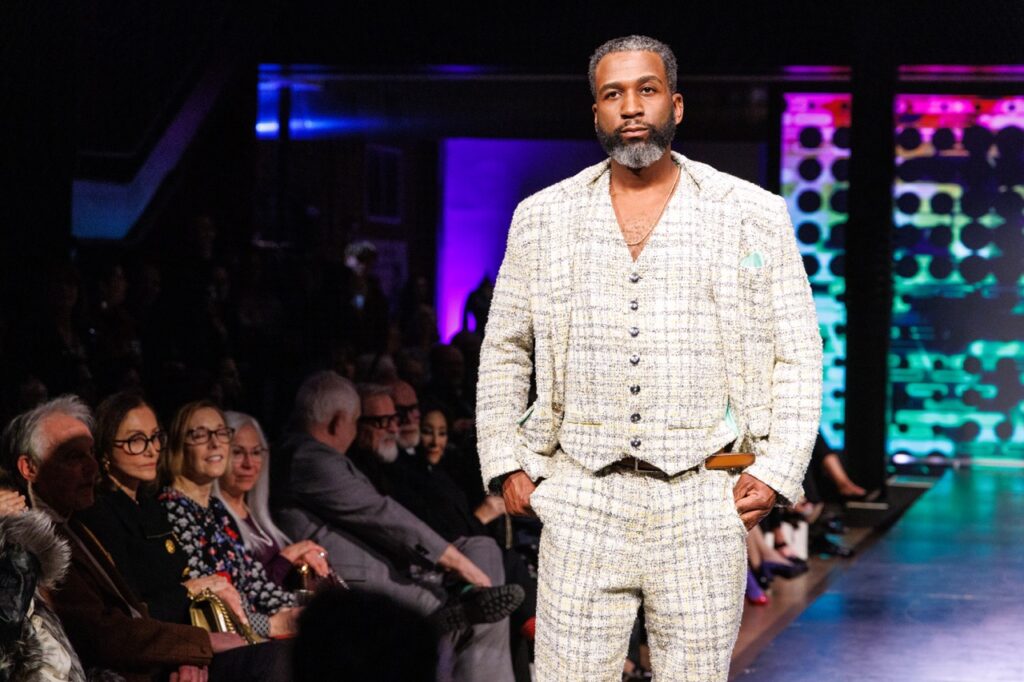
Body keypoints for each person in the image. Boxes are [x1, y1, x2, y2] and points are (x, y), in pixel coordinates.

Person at [476, 35, 822, 681]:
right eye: (613, 94)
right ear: (596, 114)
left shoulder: (750, 213)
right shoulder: (543, 217)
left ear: (677, 104)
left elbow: (797, 351)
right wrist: (504, 463)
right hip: (579, 491)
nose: (631, 107)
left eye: (647, 89)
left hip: (702, 493)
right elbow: (505, 349)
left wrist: (777, 468)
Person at [1, 395, 288, 681]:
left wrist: (189, 653)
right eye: (74, 457)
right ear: (30, 468)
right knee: (279, 660)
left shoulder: (76, 520)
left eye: (90, 453)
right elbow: (100, 634)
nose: (92, 467)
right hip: (122, 670)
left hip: (157, 656)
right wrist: (199, 645)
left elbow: (133, 612)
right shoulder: (31, 538)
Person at [271, 370, 520, 682]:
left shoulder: (314, 456)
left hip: (392, 567)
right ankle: (466, 605)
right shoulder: (306, 457)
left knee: (483, 551)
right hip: (353, 584)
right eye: (357, 420)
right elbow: (378, 513)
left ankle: (471, 601)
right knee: (477, 616)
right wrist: (457, 564)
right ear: (338, 422)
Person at [79, 391, 248, 627]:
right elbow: (130, 611)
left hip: (188, 636)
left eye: (155, 437)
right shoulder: (102, 513)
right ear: (106, 450)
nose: (151, 450)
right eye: (136, 440)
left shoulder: (150, 505)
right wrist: (191, 589)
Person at [158, 400, 300, 639]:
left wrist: (315, 609)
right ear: (178, 446)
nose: (215, 443)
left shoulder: (216, 510)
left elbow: (257, 585)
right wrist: (271, 625)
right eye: (200, 435)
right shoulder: (172, 510)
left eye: (221, 433)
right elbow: (208, 607)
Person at [214, 411, 329, 586]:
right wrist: (288, 556)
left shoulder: (259, 518)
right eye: (237, 452)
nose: (249, 464)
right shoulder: (215, 522)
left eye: (256, 452)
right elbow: (248, 592)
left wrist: (301, 560)